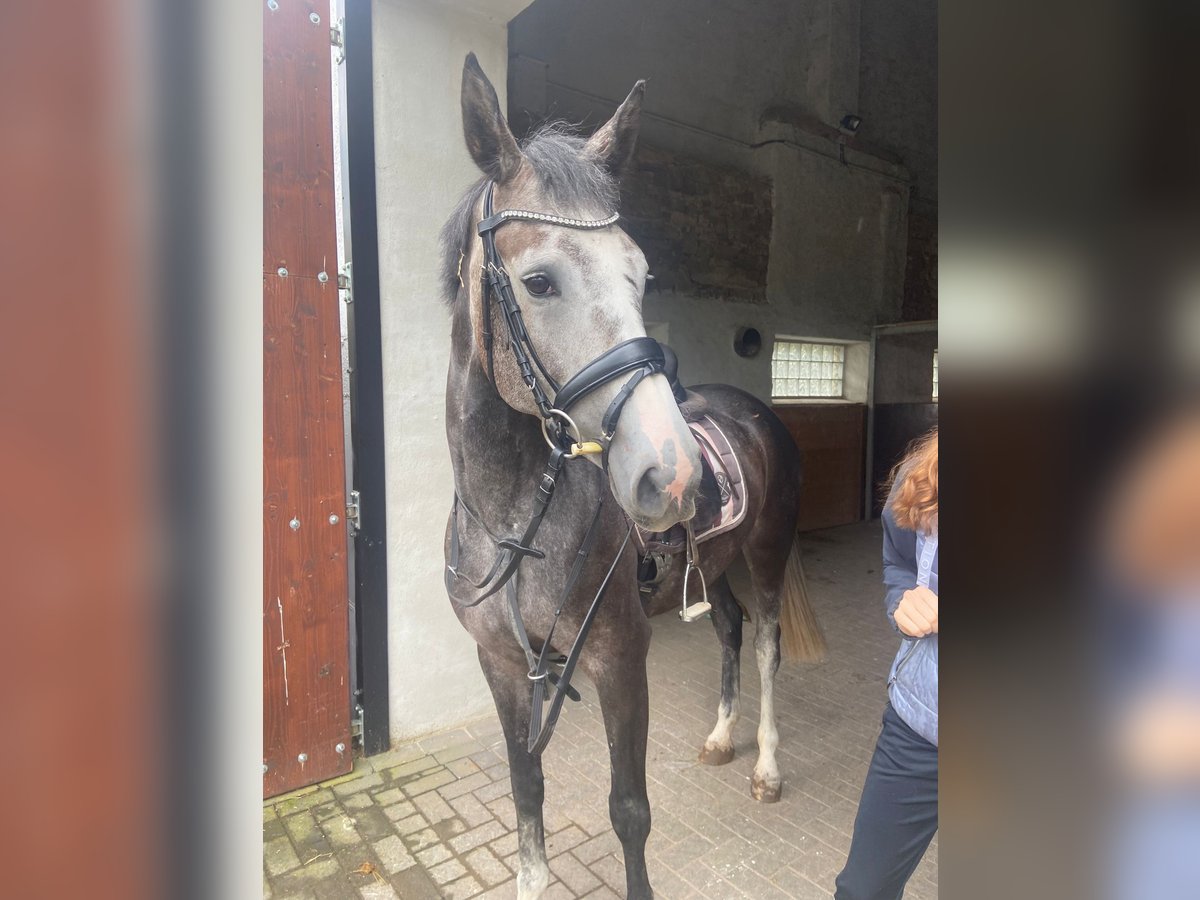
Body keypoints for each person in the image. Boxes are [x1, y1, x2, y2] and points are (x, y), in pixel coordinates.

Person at [835, 429, 938, 900]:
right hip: (920, 725)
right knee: (862, 890)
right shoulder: (926, 476)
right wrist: (902, 600)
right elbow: (898, 560)